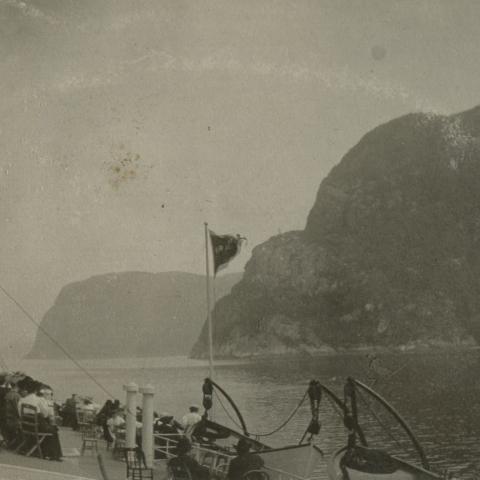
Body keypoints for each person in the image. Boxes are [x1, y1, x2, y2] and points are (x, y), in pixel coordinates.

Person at [3, 382, 21, 449]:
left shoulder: (8, 394)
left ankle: (10, 443)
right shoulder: (17, 395)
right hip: (14, 418)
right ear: (17, 387)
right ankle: (15, 445)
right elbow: (16, 408)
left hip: (8, 416)